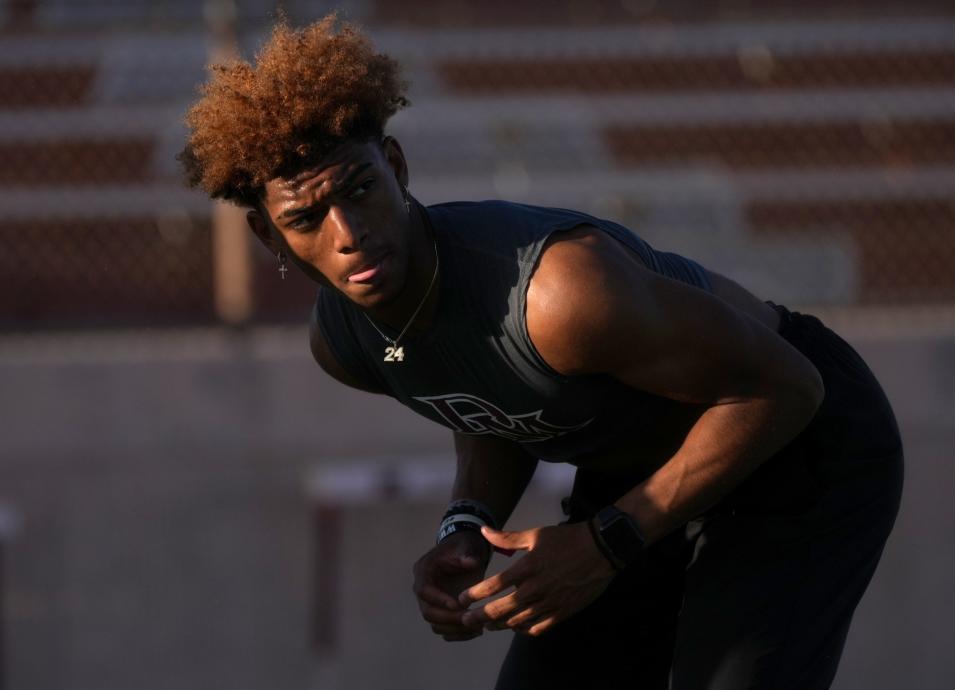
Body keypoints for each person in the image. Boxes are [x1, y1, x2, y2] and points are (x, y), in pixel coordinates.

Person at [180, 16, 904, 690]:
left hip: (797, 440)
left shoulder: (560, 295)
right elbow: (487, 395)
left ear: (396, 167)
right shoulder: (344, 342)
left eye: (360, 189)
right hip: (639, 478)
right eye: (306, 219)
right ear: (269, 238)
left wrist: (605, 543)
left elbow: (785, 388)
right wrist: (465, 521)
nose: (346, 233)